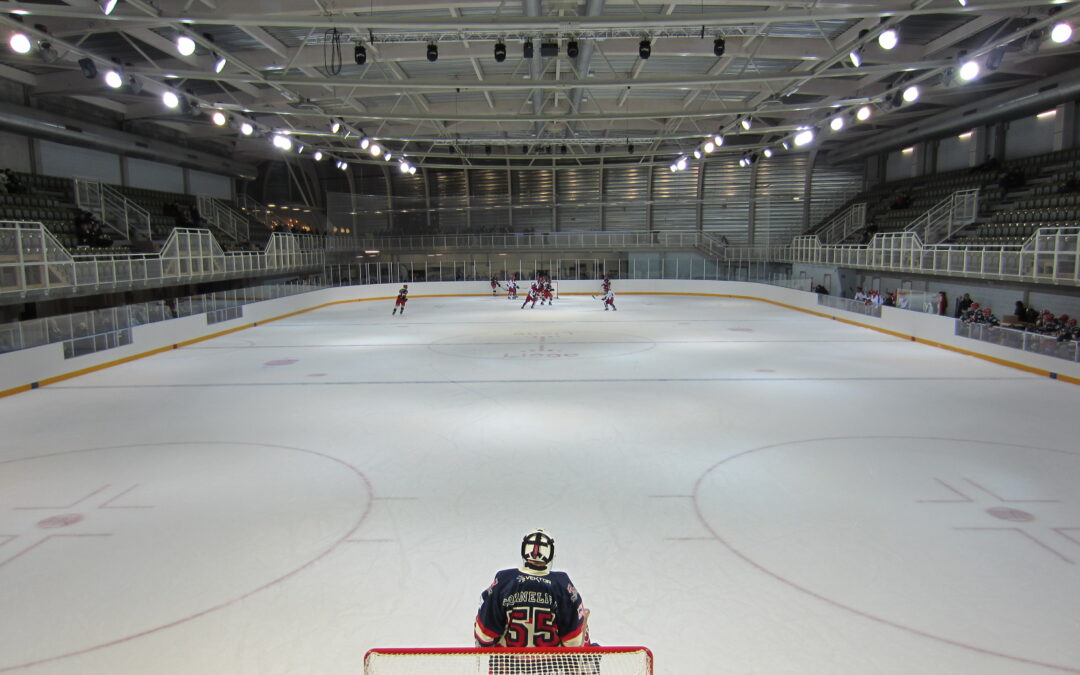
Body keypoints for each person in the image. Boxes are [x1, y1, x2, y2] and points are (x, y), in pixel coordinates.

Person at [474, 529, 587, 649]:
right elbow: (574, 642)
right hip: (550, 665)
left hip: (507, 664)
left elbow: (484, 636)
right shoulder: (562, 584)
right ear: (550, 554)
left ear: (524, 550)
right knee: (583, 625)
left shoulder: (504, 580)